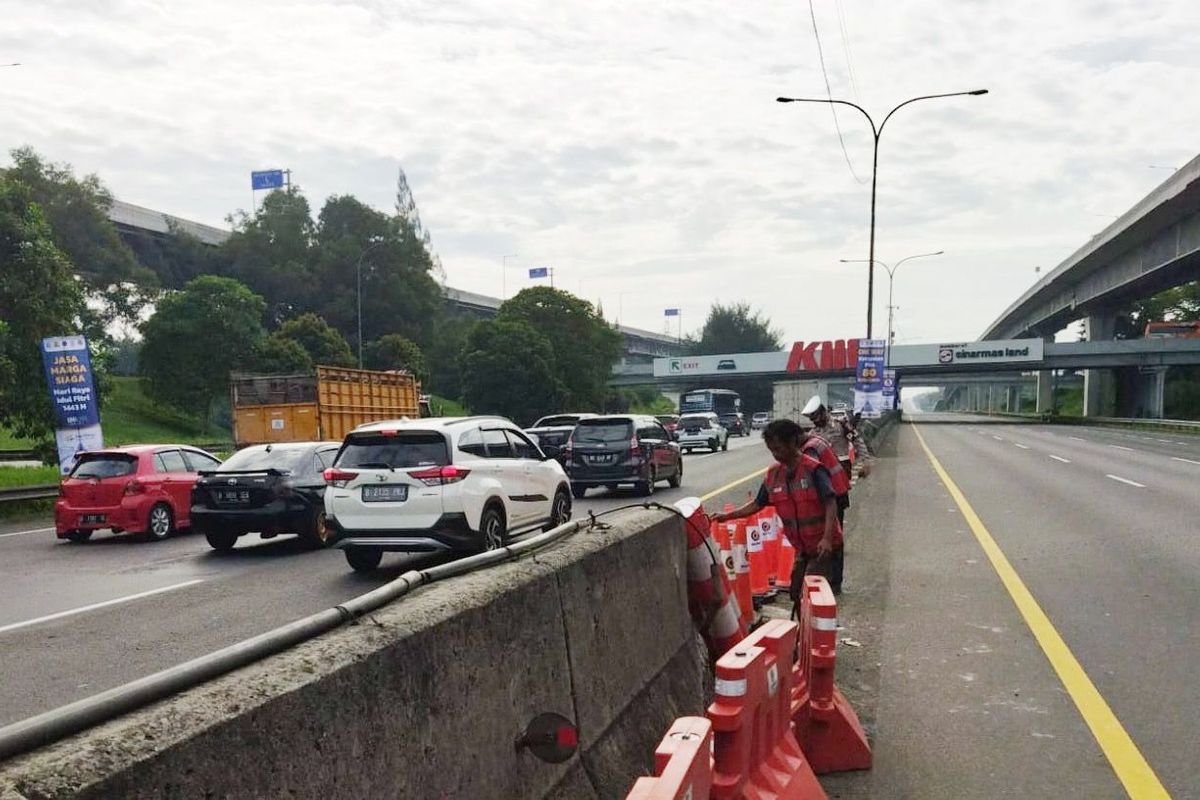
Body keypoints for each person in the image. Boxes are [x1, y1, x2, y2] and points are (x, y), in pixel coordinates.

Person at [710, 418, 842, 605]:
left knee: (814, 597)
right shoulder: (774, 475)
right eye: (772, 450)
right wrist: (727, 516)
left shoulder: (813, 469)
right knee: (796, 593)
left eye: (779, 449)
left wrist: (827, 539)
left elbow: (830, 502)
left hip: (823, 547)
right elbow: (757, 504)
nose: (776, 455)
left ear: (792, 443)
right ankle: (805, 630)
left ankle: (820, 631)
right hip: (802, 548)